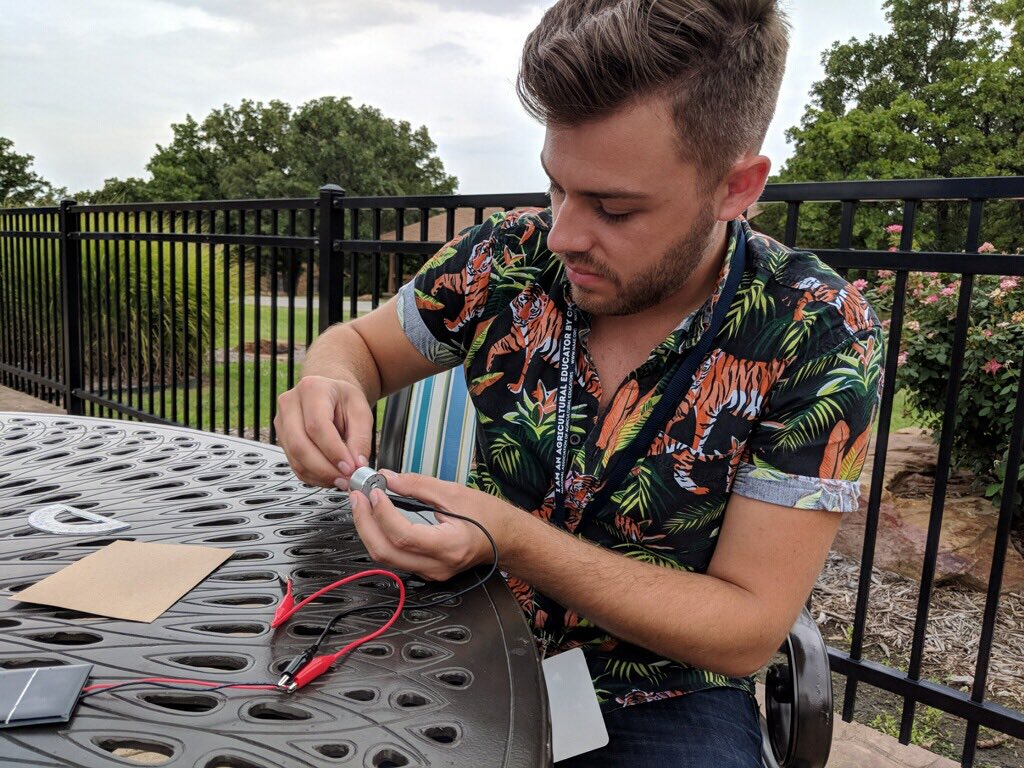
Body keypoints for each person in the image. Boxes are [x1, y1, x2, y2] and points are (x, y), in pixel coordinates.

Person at [275, 1, 883, 764]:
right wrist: (329, 379)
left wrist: (510, 540)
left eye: (614, 209)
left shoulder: (816, 329)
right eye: (556, 186)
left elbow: (747, 630)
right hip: (459, 632)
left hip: (663, 691)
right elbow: (358, 345)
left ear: (736, 188)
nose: (562, 234)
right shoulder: (507, 258)